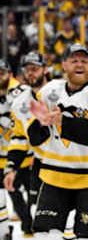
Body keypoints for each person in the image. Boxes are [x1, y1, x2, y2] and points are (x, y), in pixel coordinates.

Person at [24, 44, 88, 239]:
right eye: (74, 60)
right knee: (43, 235)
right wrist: (41, 124)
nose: (80, 64)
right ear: (64, 65)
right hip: (54, 176)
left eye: (84, 60)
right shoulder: (50, 90)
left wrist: (60, 121)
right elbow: (34, 139)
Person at [4, 52, 48, 237]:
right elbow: (19, 138)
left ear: (45, 69)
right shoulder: (18, 103)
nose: (31, 73)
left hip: (70, 164)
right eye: (27, 69)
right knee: (36, 215)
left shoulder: (59, 91)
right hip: (39, 163)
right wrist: (11, 167)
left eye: (35, 68)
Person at [0, 59, 25, 239]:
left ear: (9, 74)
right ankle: (5, 231)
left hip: (21, 157)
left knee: (20, 199)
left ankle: (29, 226)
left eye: (2, 73)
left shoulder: (18, 92)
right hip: (2, 156)